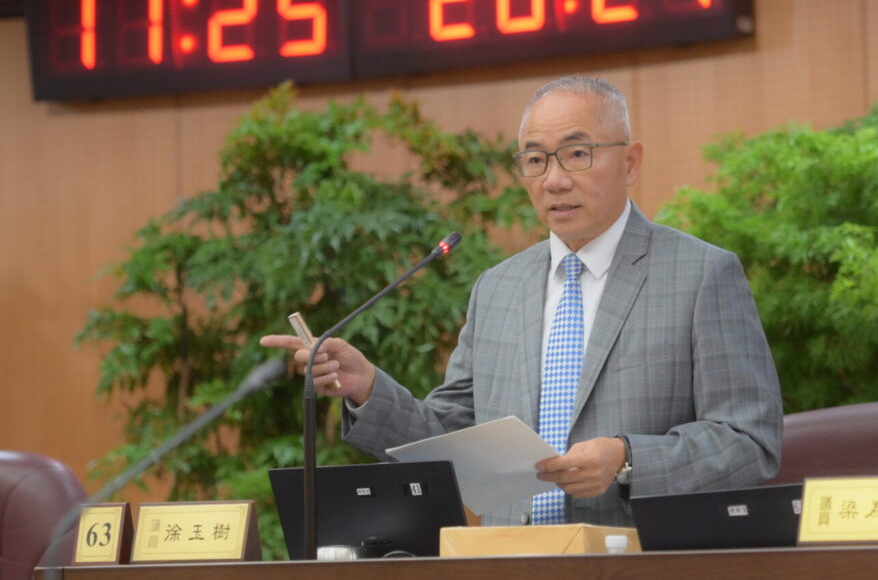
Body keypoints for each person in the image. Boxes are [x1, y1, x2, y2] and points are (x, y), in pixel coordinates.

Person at [261, 75, 782, 526]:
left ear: (630, 161)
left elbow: (749, 440)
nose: (554, 179)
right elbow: (451, 437)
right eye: (535, 160)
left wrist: (628, 459)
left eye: (577, 154)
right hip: (511, 557)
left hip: (637, 561)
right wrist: (368, 388)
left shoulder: (701, 274)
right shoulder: (498, 288)